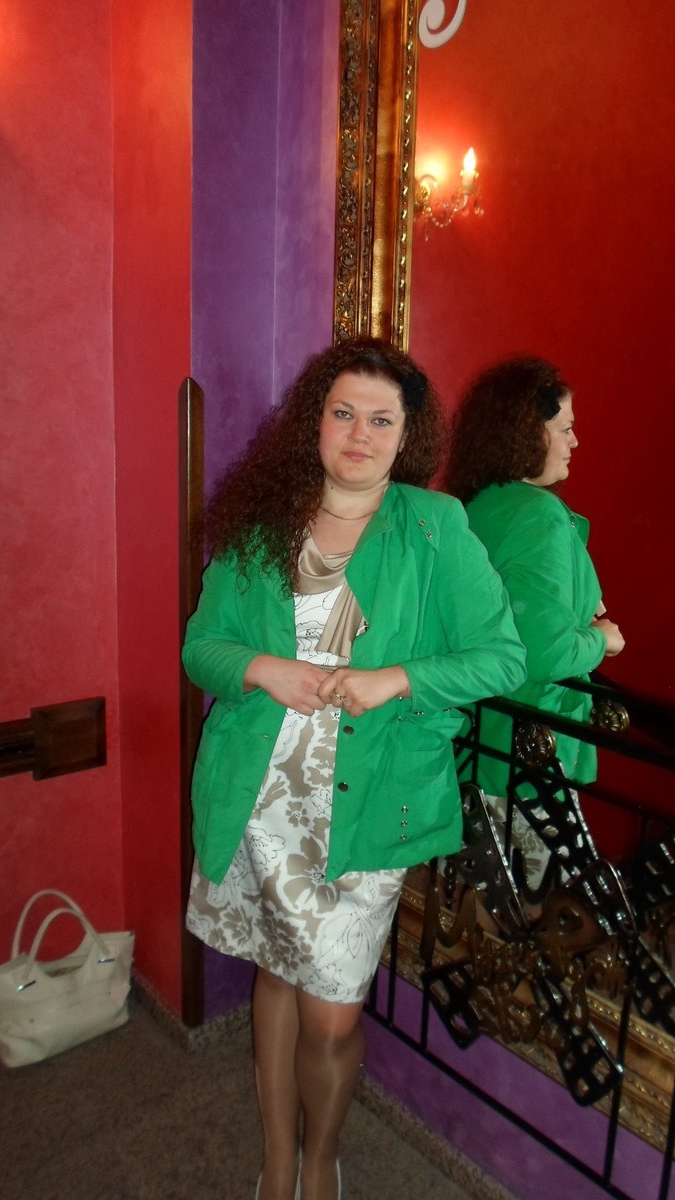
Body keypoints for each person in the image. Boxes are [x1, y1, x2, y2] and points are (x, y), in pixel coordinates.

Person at [182, 337, 526, 1200]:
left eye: (381, 420)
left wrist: (396, 678)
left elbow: (501, 657)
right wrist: (264, 668)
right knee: (277, 968)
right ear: (316, 421)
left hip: (368, 805)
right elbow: (203, 647)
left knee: (332, 1012)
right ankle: (276, 1161)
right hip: (261, 798)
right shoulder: (265, 520)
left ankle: (320, 1157)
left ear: (407, 435)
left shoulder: (434, 527)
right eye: (344, 414)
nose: (360, 435)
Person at [444, 355, 625, 893]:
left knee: (484, 899)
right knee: (548, 909)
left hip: (478, 735)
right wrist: (602, 639)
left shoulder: (475, 505)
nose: (575, 441)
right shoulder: (538, 514)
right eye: (565, 428)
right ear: (528, 432)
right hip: (529, 751)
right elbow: (543, 652)